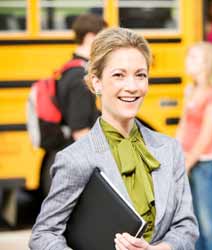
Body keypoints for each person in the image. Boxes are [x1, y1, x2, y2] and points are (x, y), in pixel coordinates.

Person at [29, 27, 199, 250]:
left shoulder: (169, 149)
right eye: (119, 75)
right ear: (96, 82)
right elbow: (43, 234)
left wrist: (159, 249)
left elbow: (186, 227)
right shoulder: (75, 158)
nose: (132, 87)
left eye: (140, 75)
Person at [176, 42, 212, 250]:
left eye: (193, 58)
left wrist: (189, 161)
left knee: (207, 224)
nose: (187, 62)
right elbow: (183, 124)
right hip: (187, 160)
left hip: (204, 165)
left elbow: (207, 134)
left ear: (207, 64)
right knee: (191, 224)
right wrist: (177, 154)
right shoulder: (191, 89)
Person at [56, 13, 106, 146]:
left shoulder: (72, 69)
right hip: (78, 159)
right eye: (103, 39)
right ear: (90, 38)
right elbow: (80, 131)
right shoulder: (80, 78)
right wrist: (103, 157)